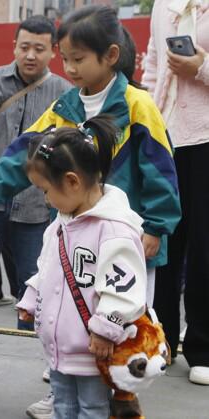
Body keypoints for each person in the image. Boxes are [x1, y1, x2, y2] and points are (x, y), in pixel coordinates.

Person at [0, 6, 181, 418]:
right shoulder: (65, 106)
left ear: (110, 55)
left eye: (79, 59)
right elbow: (25, 152)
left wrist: (157, 227)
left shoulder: (138, 105)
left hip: (126, 237)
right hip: (74, 234)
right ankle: (65, 394)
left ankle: (122, 396)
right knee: (74, 316)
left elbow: (161, 170)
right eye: (66, 59)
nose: (70, 68)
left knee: (122, 319)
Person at [16, 115, 147, 419]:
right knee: (63, 406)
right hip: (62, 347)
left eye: (45, 190)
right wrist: (31, 297)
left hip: (94, 349)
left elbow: (124, 289)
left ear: (72, 181)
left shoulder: (114, 230)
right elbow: (47, 266)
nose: (46, 200)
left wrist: (105, 329)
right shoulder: (61, 224)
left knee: (92, 409)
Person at [0, 15, 72, 323]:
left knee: (33, 282)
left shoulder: (64, 92)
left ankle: (30, 344)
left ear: (53, 51)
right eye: (24, 47)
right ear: (14, 47)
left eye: (39, 48)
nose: (30, 55)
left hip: (35, 208)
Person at [142, 0, 209, 385]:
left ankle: (202, 346)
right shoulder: (163, 4)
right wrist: (146, 119)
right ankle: (160, 340)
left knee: (204, 246)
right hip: (165, 134)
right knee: (162, 241)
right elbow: (153, 63)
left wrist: (200, 67)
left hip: (205, 136)